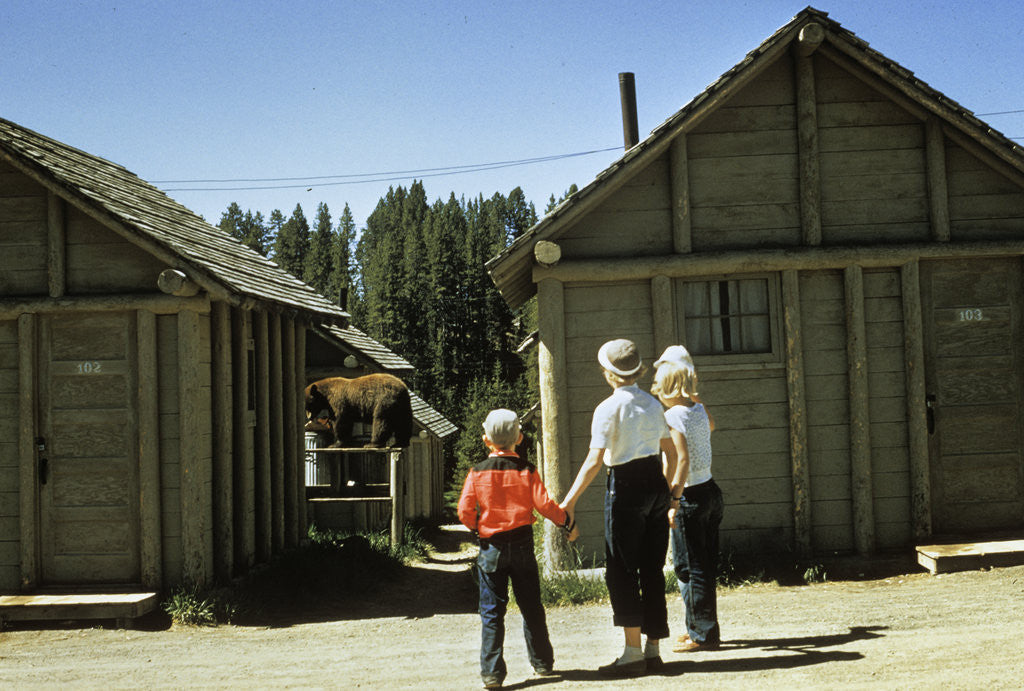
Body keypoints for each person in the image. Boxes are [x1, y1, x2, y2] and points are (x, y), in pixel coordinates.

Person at [560, 339, 677, 677]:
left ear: (609, 374)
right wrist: (667, 492)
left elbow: (595, 461)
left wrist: (569, 501)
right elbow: (669, 453)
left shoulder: (607, 409)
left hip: (624, 486)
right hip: (655, 482)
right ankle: (653, 649)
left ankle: (631, 653)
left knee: (622, 569)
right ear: (638, 370)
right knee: (652, 568)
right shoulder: (653, 405)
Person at [457, 408, 578, 689]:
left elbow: (464, 510)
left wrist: (477, 527)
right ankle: (543, 663)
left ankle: (492, 674)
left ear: (486, 440)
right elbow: (546, 506)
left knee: (491, 611)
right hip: (522, 544)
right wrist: (566, 523)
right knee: (531, 606)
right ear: (520, 438)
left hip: (491, 547)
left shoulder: (476, 472)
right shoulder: (527, 470)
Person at [651, 346, 724, 653]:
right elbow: (711, 426)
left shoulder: (671, 417)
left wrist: (673, 499)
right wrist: (693, 395)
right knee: (704, 565)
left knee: (688, 568)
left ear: (667, 389)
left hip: (690, 496)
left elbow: (679, 461)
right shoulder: (697, 410)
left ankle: (701, 634)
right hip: (711, 491)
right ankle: (702, 627)